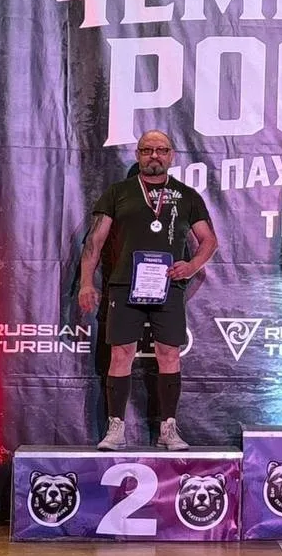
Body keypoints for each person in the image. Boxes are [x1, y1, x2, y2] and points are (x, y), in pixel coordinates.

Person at [79, 130, 218, 451]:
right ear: (138, 155)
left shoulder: (186, 196)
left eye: (161, 150)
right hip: (125, 286)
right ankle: (116, 428)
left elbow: (209, 241)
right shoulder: (118, 192)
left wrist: (191, 265)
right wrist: (86, 282)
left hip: (168, 286)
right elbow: (95, 241)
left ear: (172, 155)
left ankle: (168, 428)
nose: (154, 155)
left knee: (169, 354)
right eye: (147, 150)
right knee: (120, 354)